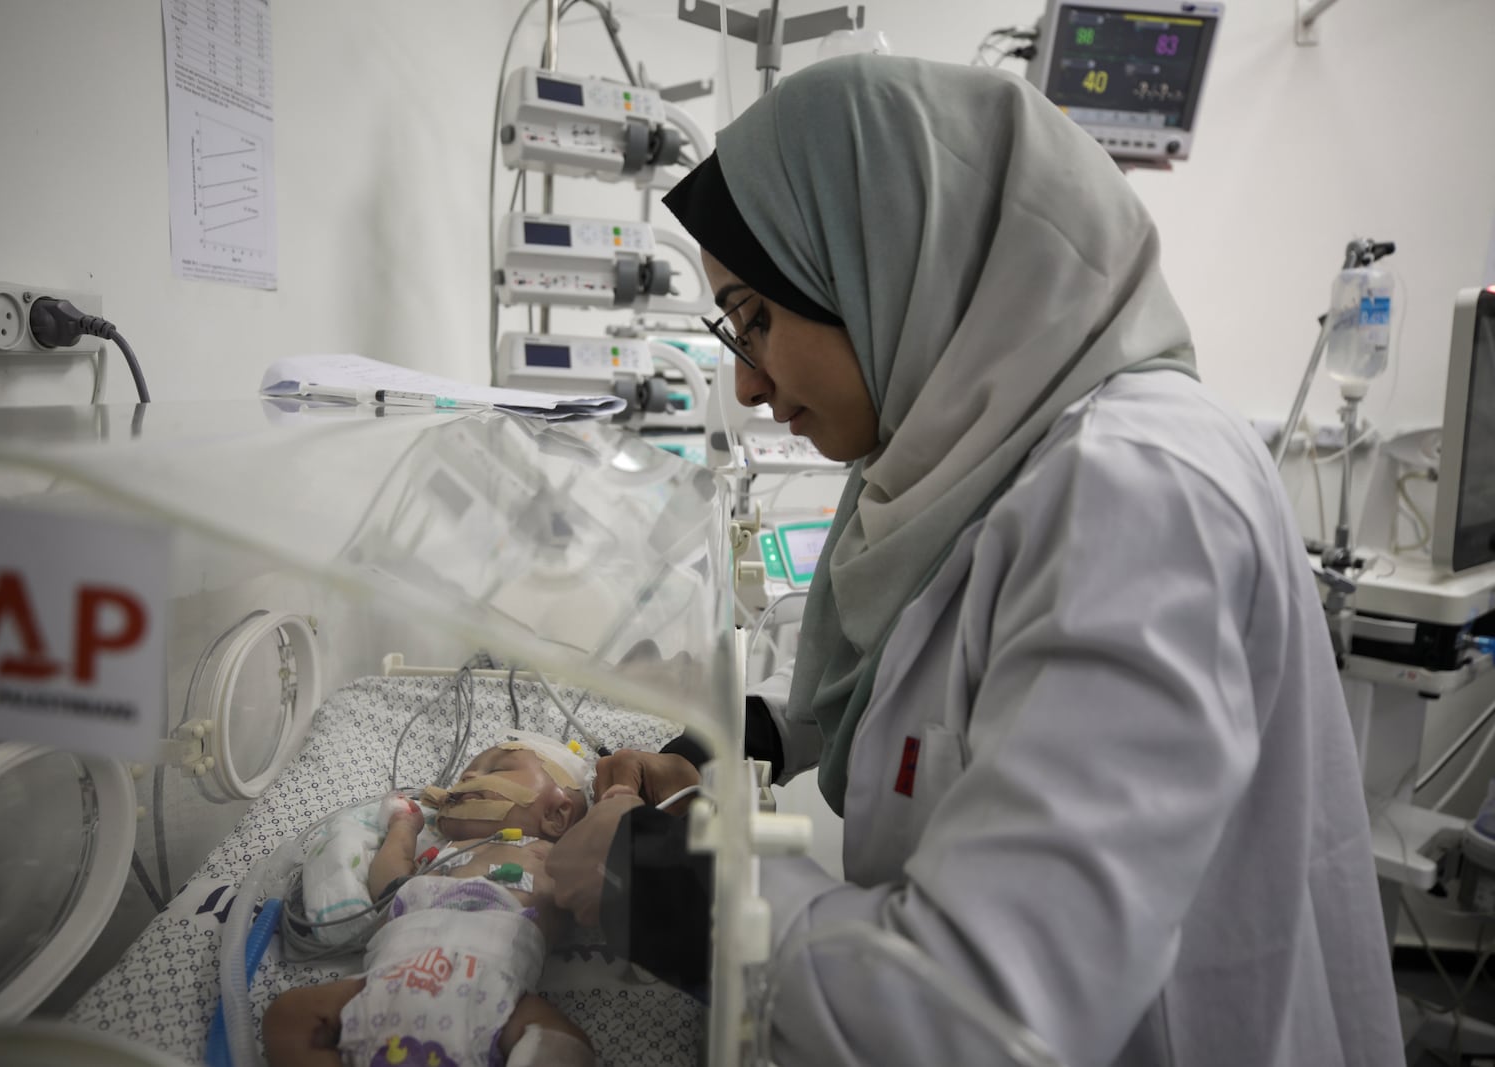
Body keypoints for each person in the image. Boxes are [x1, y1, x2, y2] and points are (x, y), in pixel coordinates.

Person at [545, 55, 1405, 1066]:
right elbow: (926, 662)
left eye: (758, 319)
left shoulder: (1134, 491)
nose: (744, 383)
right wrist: (743, 736)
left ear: (886, 259)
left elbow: (987, 1009)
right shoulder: (970, 454)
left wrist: (665, 883)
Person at [265, 735, 596, 1067]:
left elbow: (597, 885)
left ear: (557, 815)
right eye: (465, 773)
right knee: (287, 1014)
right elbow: (390, 888)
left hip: (498, 991)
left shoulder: (550, 856)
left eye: (498, 769)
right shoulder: (442, 854)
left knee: (566, 1045)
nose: (467, 778)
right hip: (385, 978)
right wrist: (403, 829)